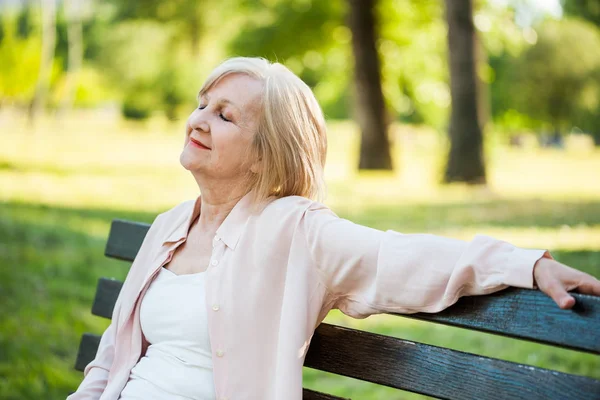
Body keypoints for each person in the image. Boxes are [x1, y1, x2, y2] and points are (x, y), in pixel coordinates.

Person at [68, 57, 600, 400]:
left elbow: (398, 258)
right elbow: (112, 359)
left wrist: (524, 264)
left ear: (264, 156)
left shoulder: (295, 232)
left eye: (225, 116)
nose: (198, 120)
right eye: (202, 105)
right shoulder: (169, 226)